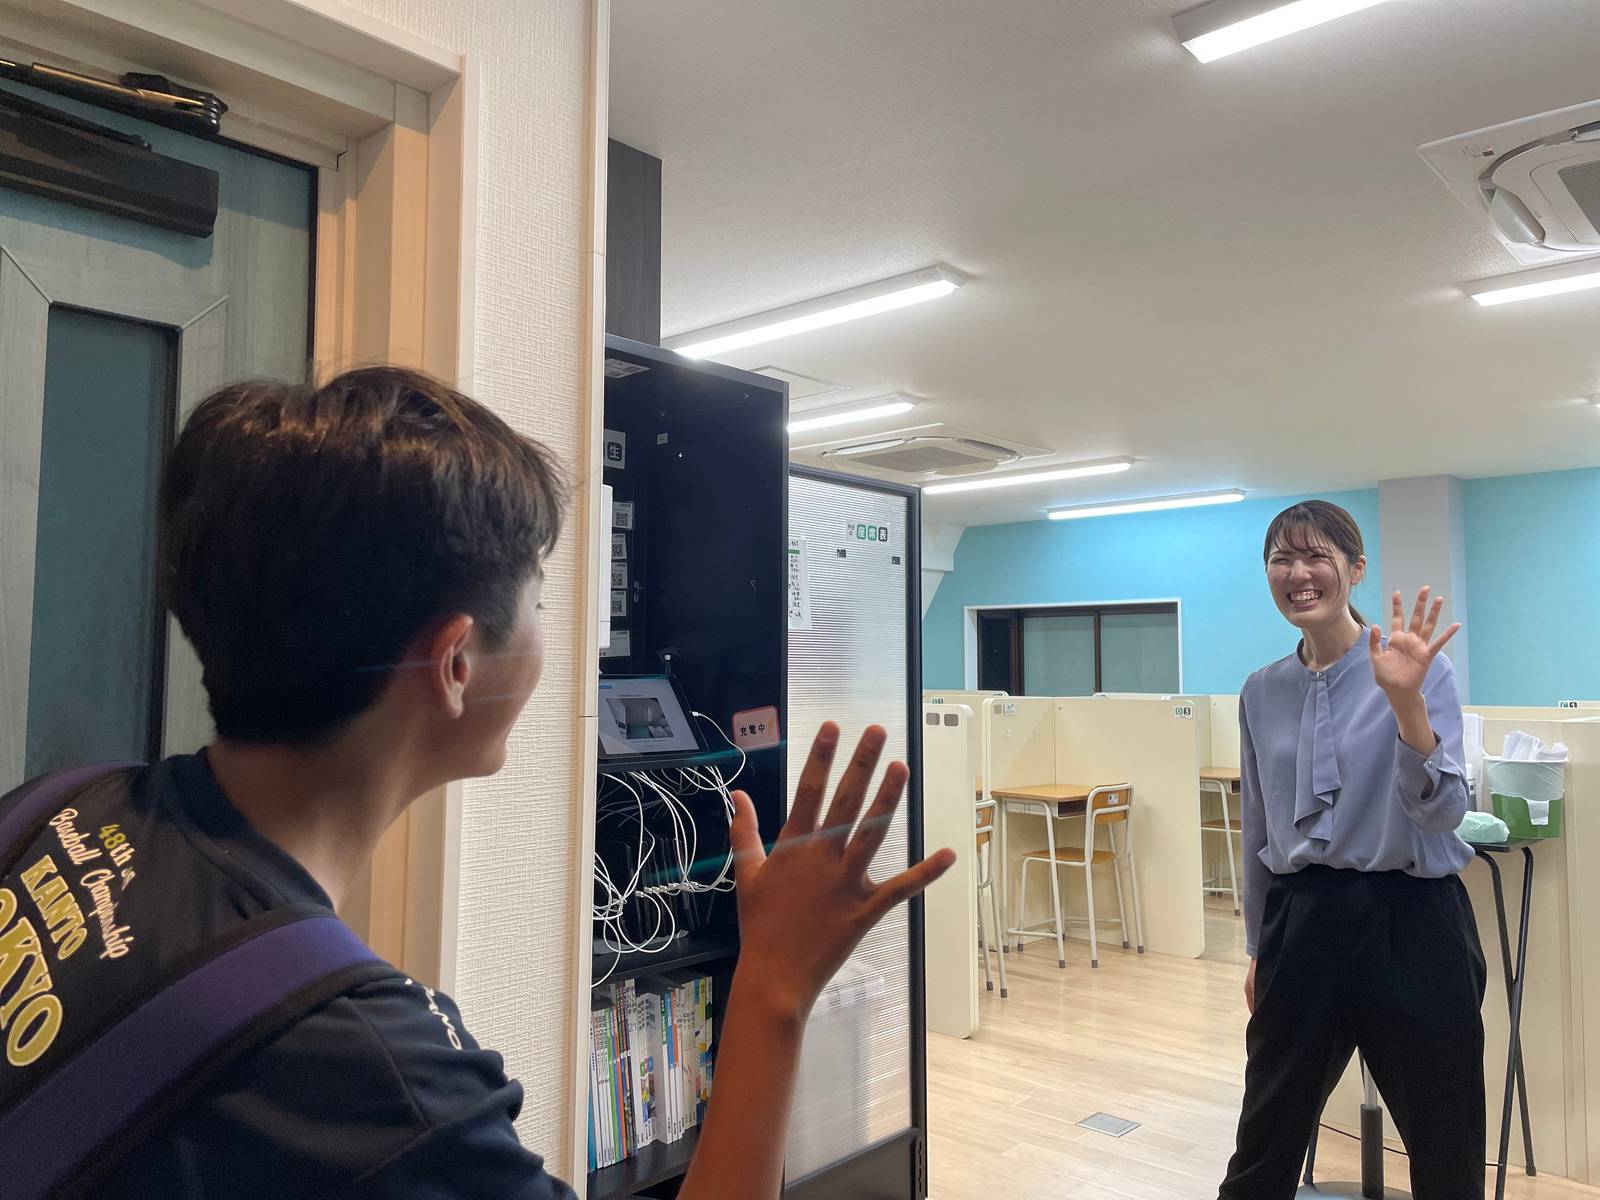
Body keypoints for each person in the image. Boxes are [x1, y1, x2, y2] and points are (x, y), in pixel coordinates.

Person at [0, 366, 955, 1198]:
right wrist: (776, 987)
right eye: (539, 597)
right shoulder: (376, 1082)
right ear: (457, 664)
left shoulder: (55, 809)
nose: (547, 633)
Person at [1218, 500, 1486, 1200]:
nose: (1298, 574)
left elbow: (1445, 814)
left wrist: (1407, 705)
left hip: (1411, 920)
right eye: (1281, 559)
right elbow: (1259, 829)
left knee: (1445, 1137)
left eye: (1317, 556)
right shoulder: (1261, 691)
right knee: (1264, 1138)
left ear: (1355, 568)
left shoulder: (1418, 669)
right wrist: (1259, 946)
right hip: (1301, 920)